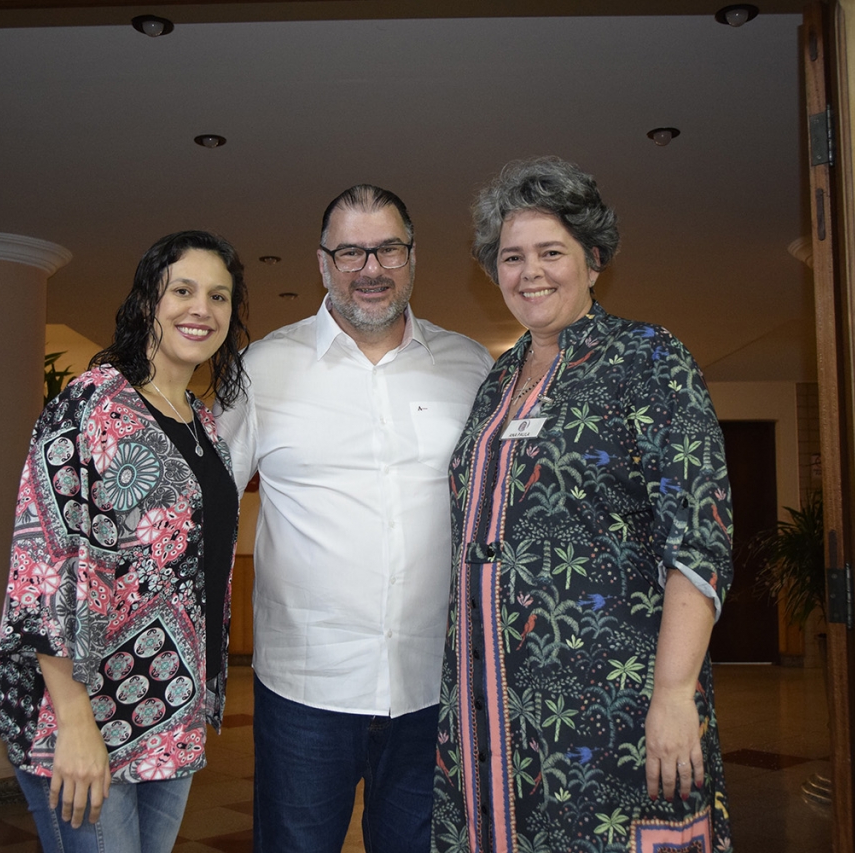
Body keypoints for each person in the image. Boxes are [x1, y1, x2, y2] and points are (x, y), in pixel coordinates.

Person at [432, 157, 734, 852]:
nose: (529, 272)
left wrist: (674, 692)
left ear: (593, 260)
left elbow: (699, 537)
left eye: (551, 252)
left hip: (612, 703)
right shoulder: (497, 380)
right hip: (488, 707)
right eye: (512, 257)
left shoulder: (647, 358)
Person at [214, 185, 493, 853]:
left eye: (388, 249)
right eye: (350, 252)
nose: (371, 269)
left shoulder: (471, 366)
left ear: (413, 257)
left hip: (432, 687)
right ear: (322, 263)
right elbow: (205, 505)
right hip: (304, 690)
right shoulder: (262, 369)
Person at [0, 230, 248, 853]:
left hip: (169, 710)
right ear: (146, 303)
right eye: (182, 290)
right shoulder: (90, 404)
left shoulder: (205, 426)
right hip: (82, 709)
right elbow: (44, 563)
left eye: (218, 296)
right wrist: (74, 718)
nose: (202, 309)